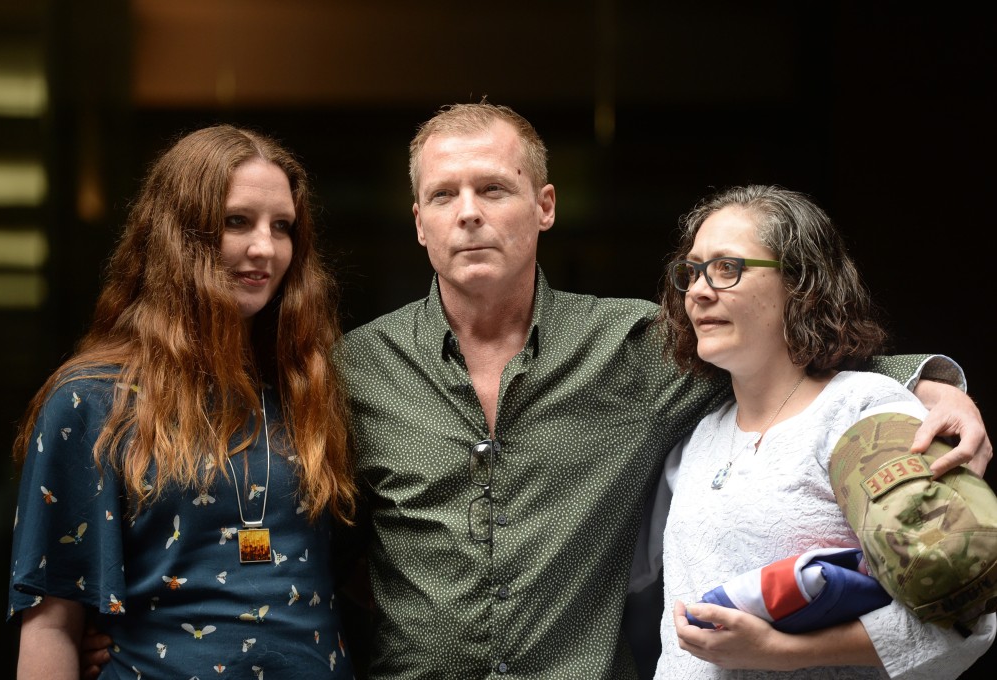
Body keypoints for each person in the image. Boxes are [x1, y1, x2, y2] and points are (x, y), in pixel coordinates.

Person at [76, 103, 993, 679]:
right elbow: (285, 517)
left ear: (544, 207)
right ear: (419, 224)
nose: (469, 211)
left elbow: (782, 354)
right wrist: (145, 630)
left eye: (494, 188)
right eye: (445, 196)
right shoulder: (349, 370)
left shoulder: (636, 345)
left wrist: (926, 387)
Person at [8, 124, 358, 679]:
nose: (265, 247)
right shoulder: (92, 400)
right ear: (179, 235)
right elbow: (51, 624)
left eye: (283, 226)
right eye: (236, 221)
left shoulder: (311, 385)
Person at [627, 184, 995, 678]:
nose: (697, 290)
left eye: (726, 268)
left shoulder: (861, 411)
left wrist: (781, 652)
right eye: (691, 271)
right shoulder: (696, 439)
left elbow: (968, 618)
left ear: (800, 283)